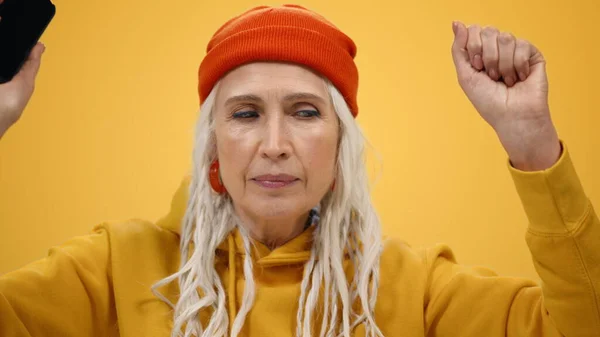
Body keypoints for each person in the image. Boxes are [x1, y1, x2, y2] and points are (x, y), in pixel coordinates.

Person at [0, 4, 598, 337]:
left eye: (306, 112)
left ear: (342, 145)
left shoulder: (412, 289)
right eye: (245, 113)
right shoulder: (115, 268)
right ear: (213, 145)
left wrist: (535, 146)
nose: (275, 144)